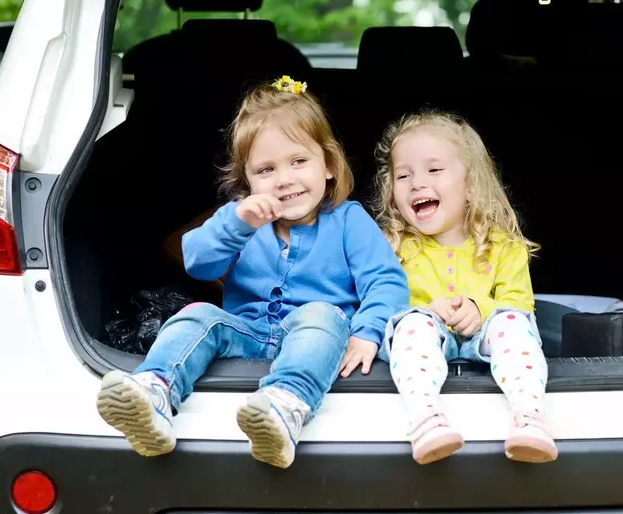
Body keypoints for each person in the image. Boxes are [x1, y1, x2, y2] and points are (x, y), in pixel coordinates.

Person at [96, 76, 409, 469]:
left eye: (299, 161)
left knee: (322, 313)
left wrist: (368, 331)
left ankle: (285, 406)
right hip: (249, 336)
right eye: (266, 169)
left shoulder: (348, 220)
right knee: (197, 315)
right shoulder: (241, 219)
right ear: (247, 181)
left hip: (318, 343)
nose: (284, 179)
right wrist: (238, 224)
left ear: (329, 165)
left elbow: (387, 281)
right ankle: (155, 393)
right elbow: (197, 260)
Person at [371, 110, 557, 465]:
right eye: (403, 175)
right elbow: (381, 304)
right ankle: (425, 419)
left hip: (487, 339)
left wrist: (481, 309)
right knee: (410, 325)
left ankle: (530, 416)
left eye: (434, 170)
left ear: (471, 184)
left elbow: (520, 304)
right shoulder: (392, 248)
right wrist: (424, 311)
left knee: (513, 324)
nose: (417, 183)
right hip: (423, 346)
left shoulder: (505, 247)